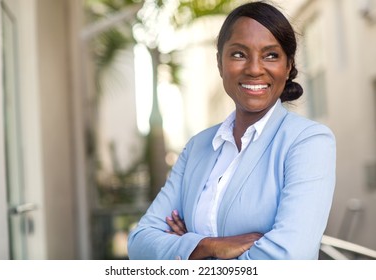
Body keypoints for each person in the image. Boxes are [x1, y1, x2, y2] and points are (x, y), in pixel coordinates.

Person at [127, 1, 336, 260]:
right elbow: (140, 242)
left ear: (288, 66)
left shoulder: (308, 142)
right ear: (219, 63)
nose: (254, 69)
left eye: (271, 55)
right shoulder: (197, 148)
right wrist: (207, 246)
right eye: (239, 54)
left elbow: (288, 259)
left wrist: (183, 249)